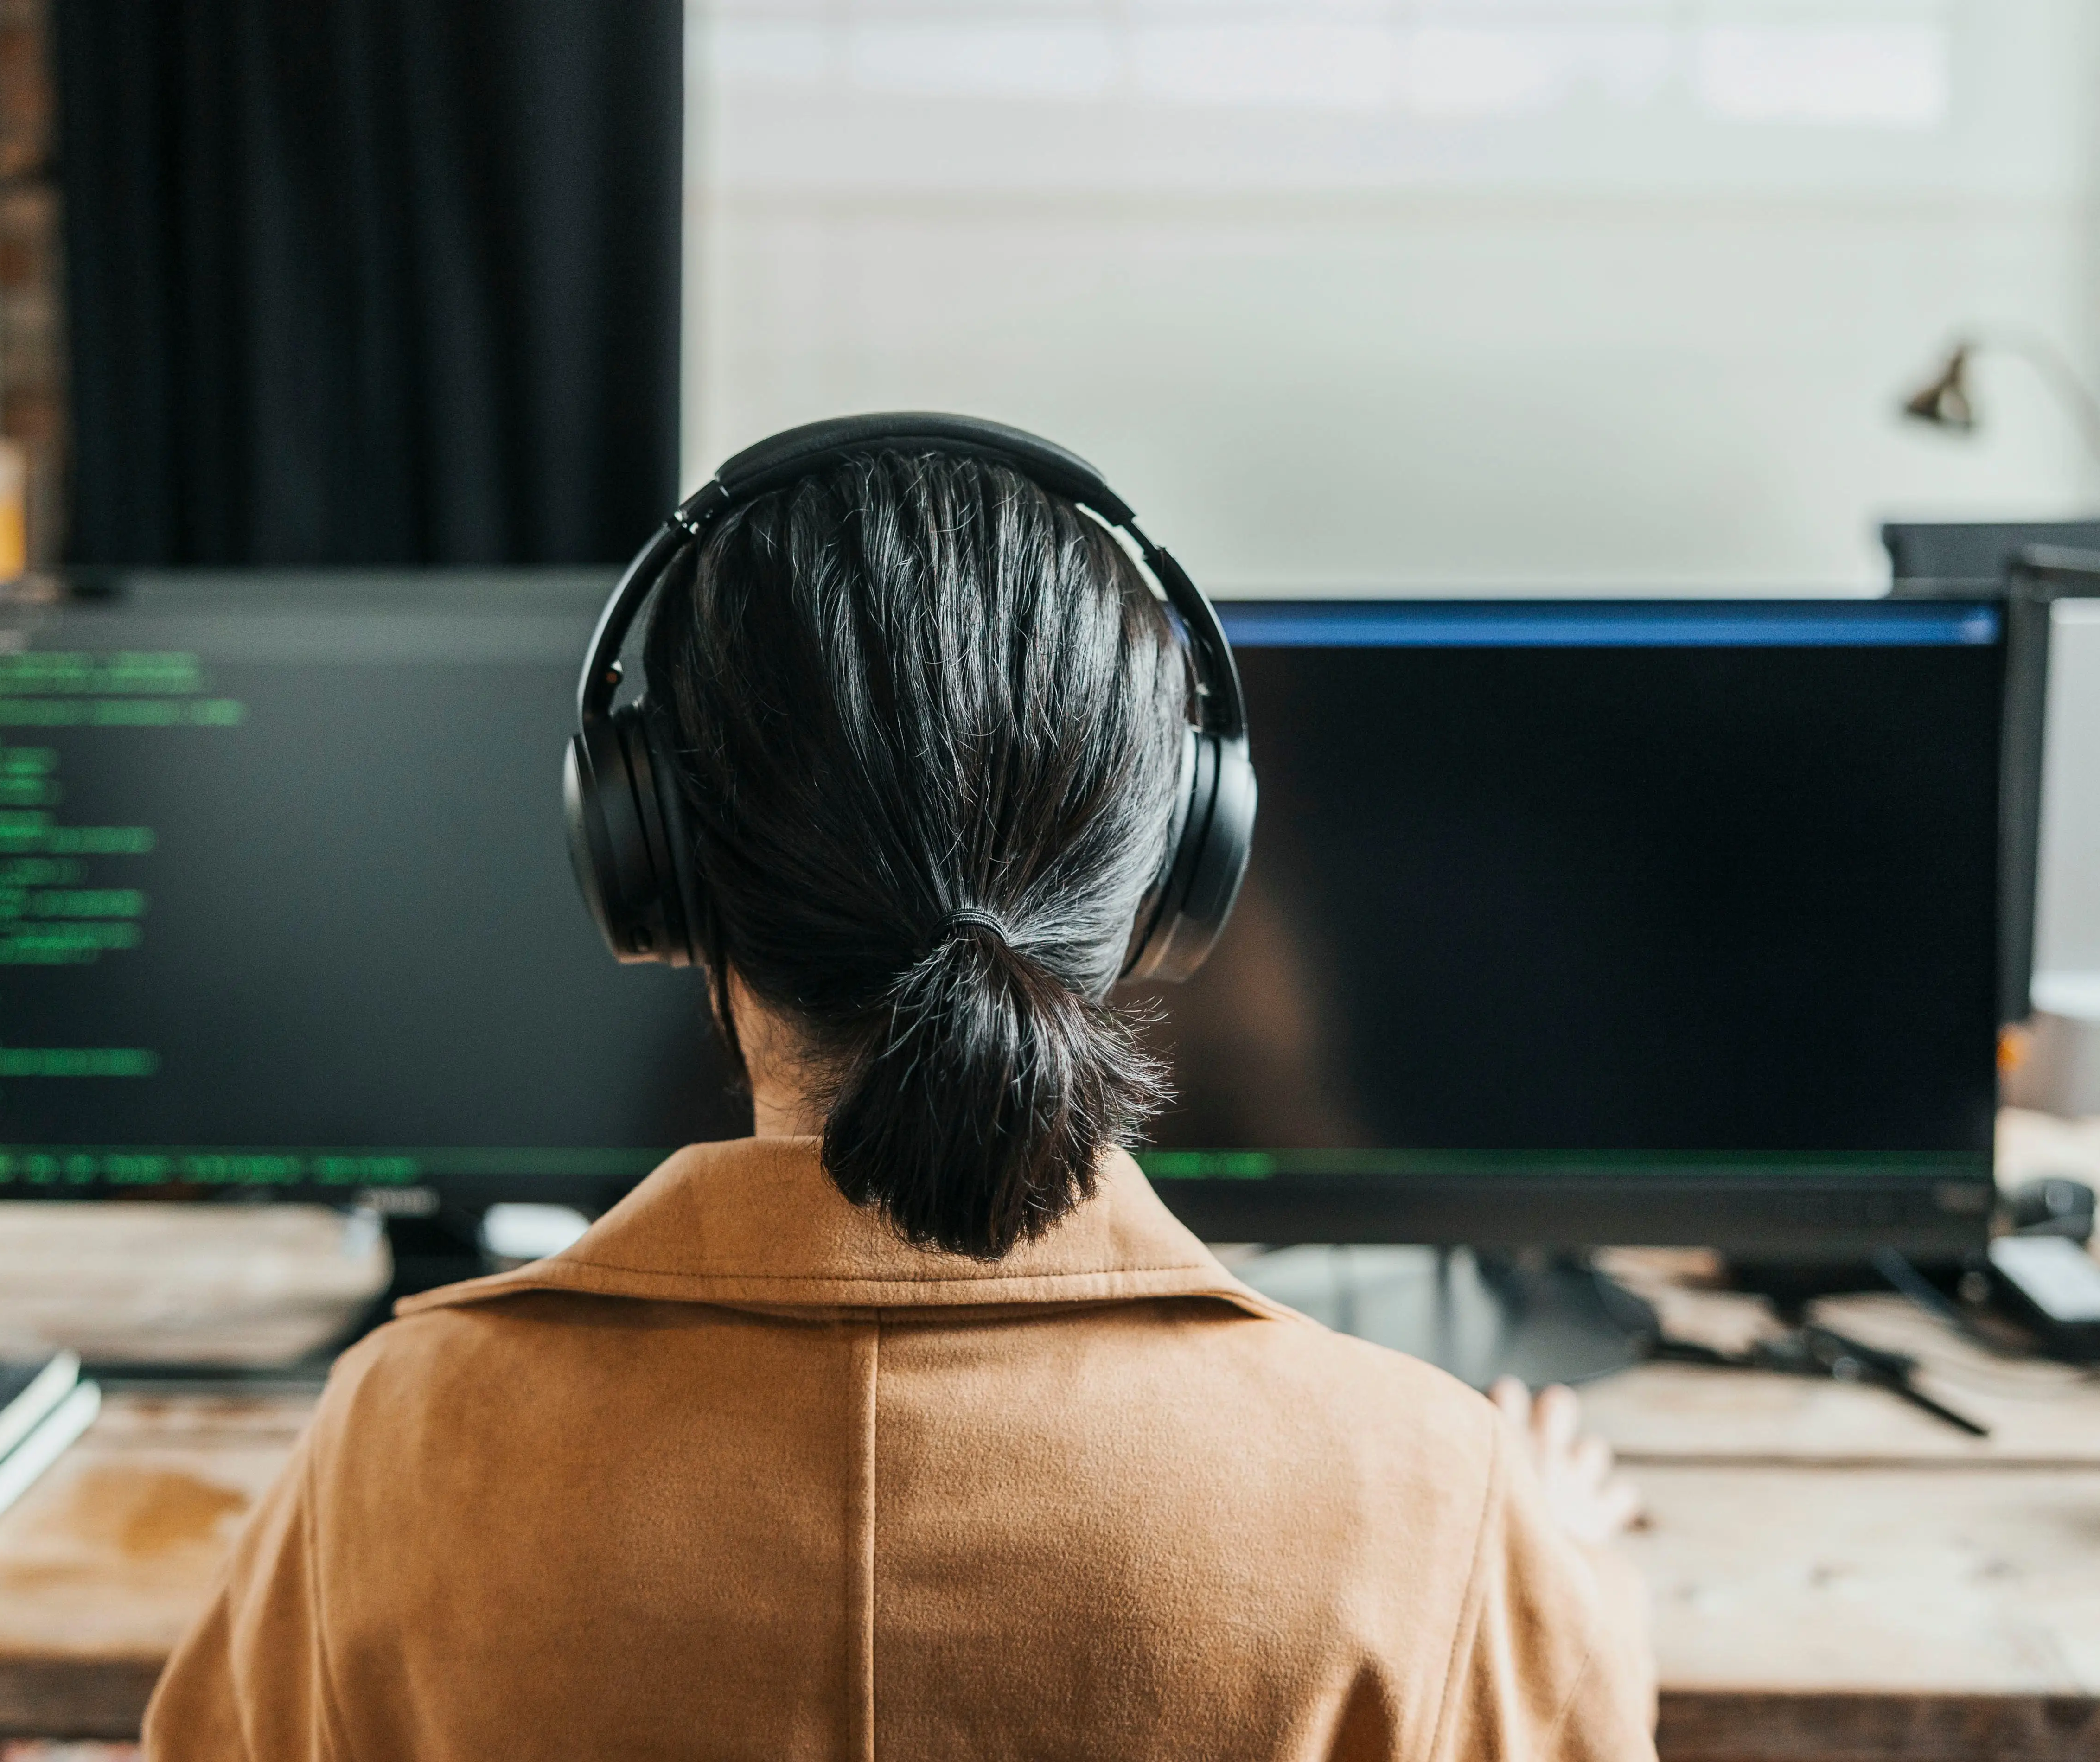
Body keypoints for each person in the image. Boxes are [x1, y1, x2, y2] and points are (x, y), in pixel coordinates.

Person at [143, 431, 1654, 1760]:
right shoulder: (1425, 1497)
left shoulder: (401, 1444)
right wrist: (1563, 1599)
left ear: (650, 873)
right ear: (1174, 885)